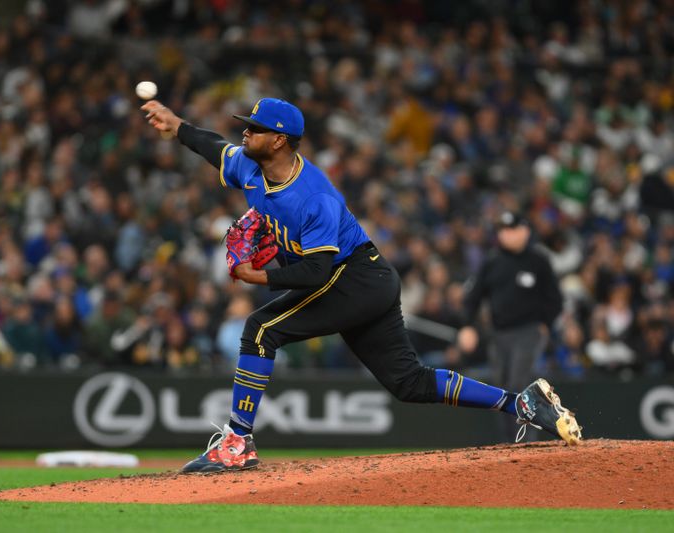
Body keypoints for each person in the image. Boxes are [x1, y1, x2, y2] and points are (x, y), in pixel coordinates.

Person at [141, 97, 582, 473]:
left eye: (254, 128)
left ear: (278, 140)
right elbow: (213, 147)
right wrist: (176, 125)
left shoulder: (314, 197)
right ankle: (520, 402)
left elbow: (317, 274)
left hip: (353, 278)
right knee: (408, 382)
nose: (245, 133)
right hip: (364, 280)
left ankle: (236, 443)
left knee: (261, 329)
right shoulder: (250, 167)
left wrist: (258, 276)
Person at [458, 211, 564, 440]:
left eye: (511, 229)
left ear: (524, 231)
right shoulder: (493, 261)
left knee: (519, 383)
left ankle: (525, 444)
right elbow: (473, 296)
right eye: (502, 231)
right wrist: (467, 326)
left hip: (528, 331)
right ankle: (509, 443)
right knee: (502, 389)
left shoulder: (538, 260)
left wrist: (545, 323)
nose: (506, 235)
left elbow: (555, 298)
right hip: (498, 334)